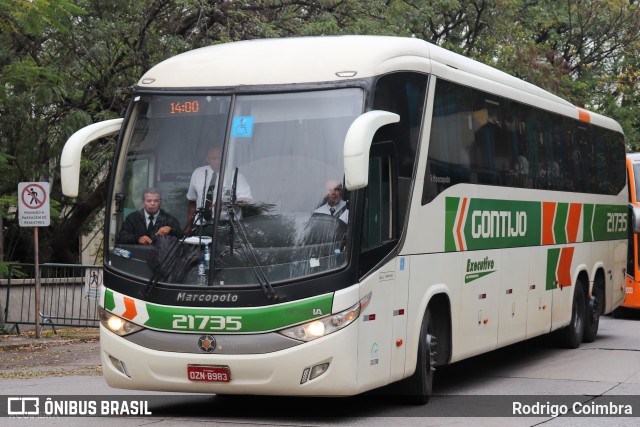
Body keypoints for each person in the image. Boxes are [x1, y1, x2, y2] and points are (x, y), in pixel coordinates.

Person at [186, 147, 252, 232]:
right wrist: (189, 226)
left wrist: (228, 202)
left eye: (220, 158)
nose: (218, 161)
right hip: (202, 227)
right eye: (214, 158)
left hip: (227, 227)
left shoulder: (236, 176)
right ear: (207, 159)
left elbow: (248, 201)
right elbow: (192, 201)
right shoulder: (198, 173)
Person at [118, 187, 183, 245]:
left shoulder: (169, 219)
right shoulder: (132, 218)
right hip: (137, 256)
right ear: (143, 202)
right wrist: (137, 239)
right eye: (149, 201)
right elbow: (122, 237)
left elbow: (181, 235)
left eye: (156, 201)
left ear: (160, 202)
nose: (152, 204)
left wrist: (171, 229)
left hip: (160, 256)